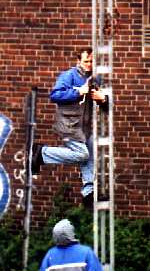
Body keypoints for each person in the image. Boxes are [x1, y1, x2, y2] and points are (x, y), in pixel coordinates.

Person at [32, 47, 108, 207]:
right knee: (82, 155)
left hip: (85, 128)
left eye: (92, 61)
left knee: (91, 155)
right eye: (86, 61)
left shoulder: (96, 79)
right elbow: (54, 95)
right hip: (68, 126)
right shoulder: (69, 76)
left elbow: (106, 105)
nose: (89, 64)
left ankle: (89, 192)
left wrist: (103, 99)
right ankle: (43, 153)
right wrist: (78, 92)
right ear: (78, 61)